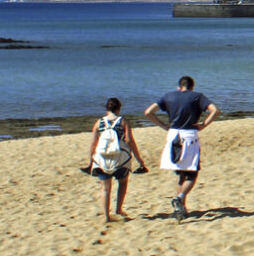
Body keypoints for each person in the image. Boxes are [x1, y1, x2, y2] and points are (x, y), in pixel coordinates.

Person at [146, 76, 218, 221]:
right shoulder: (197, 97)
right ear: (192, 86)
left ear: (179, 87)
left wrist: (163, 125)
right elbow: (215, 110)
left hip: (173, 134)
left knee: (180, 173)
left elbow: (148, 112)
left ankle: (182, 210)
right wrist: (203, 125)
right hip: (189, 135)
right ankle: (180, 197)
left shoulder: (168, 96)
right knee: (192, 172)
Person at [83, 98, 148, 222]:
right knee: (123, 182)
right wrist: (139, 160)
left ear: (106, 109)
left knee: (105, 188)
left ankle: (106, 216)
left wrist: (90, 162)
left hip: (102, 159)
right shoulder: (123, 121)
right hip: (120, 159)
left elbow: (93, 143)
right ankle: (118, 209)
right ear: (118, 109)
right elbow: (129, 140)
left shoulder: (99, 122)